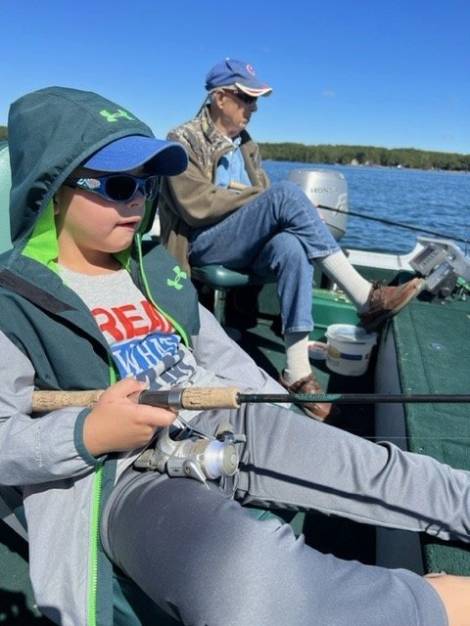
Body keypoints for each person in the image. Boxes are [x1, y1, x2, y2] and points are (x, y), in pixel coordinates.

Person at [1, 85, 469, 626]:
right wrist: (89, 433)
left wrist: (279, 409)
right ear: (54, 188)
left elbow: (220, 353)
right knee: (247, 573)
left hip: (220, 418)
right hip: (122, 474)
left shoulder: (153, 266)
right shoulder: (14, 303)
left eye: (146, 185)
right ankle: (432, 603)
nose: (137, 201)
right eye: (119, 184)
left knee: (377, 467)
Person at [159, 58, 423, 420]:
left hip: (242, 241)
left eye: (256, 100)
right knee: (284, 194)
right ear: (220, 98)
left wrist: (278, 206)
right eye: (246, 98)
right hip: (200, 242)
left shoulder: (246, 145)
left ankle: (297, 372)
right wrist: (262, 199)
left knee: (291, 246)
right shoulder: (182, 140)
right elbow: (195, 205)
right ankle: (365, 297)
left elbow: (263, 200)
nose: (253, 108)